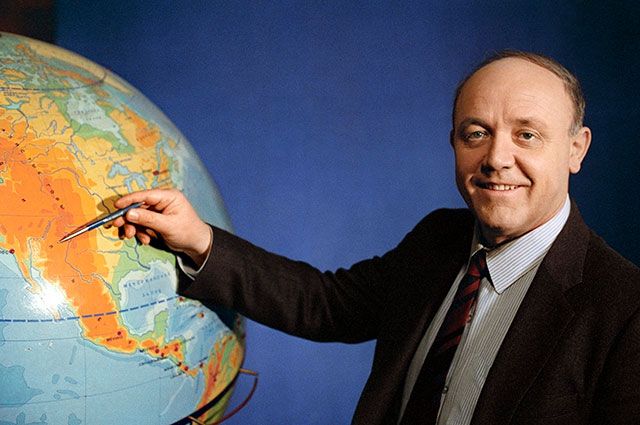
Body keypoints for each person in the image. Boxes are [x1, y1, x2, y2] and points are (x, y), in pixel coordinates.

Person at [113, 51, 640, 425]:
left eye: (527, 135)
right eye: (476, 133)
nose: (497, 158)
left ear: (576, 149)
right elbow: (324, 305)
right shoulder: (438, 240)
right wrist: (199, 239)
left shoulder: (625, 310)